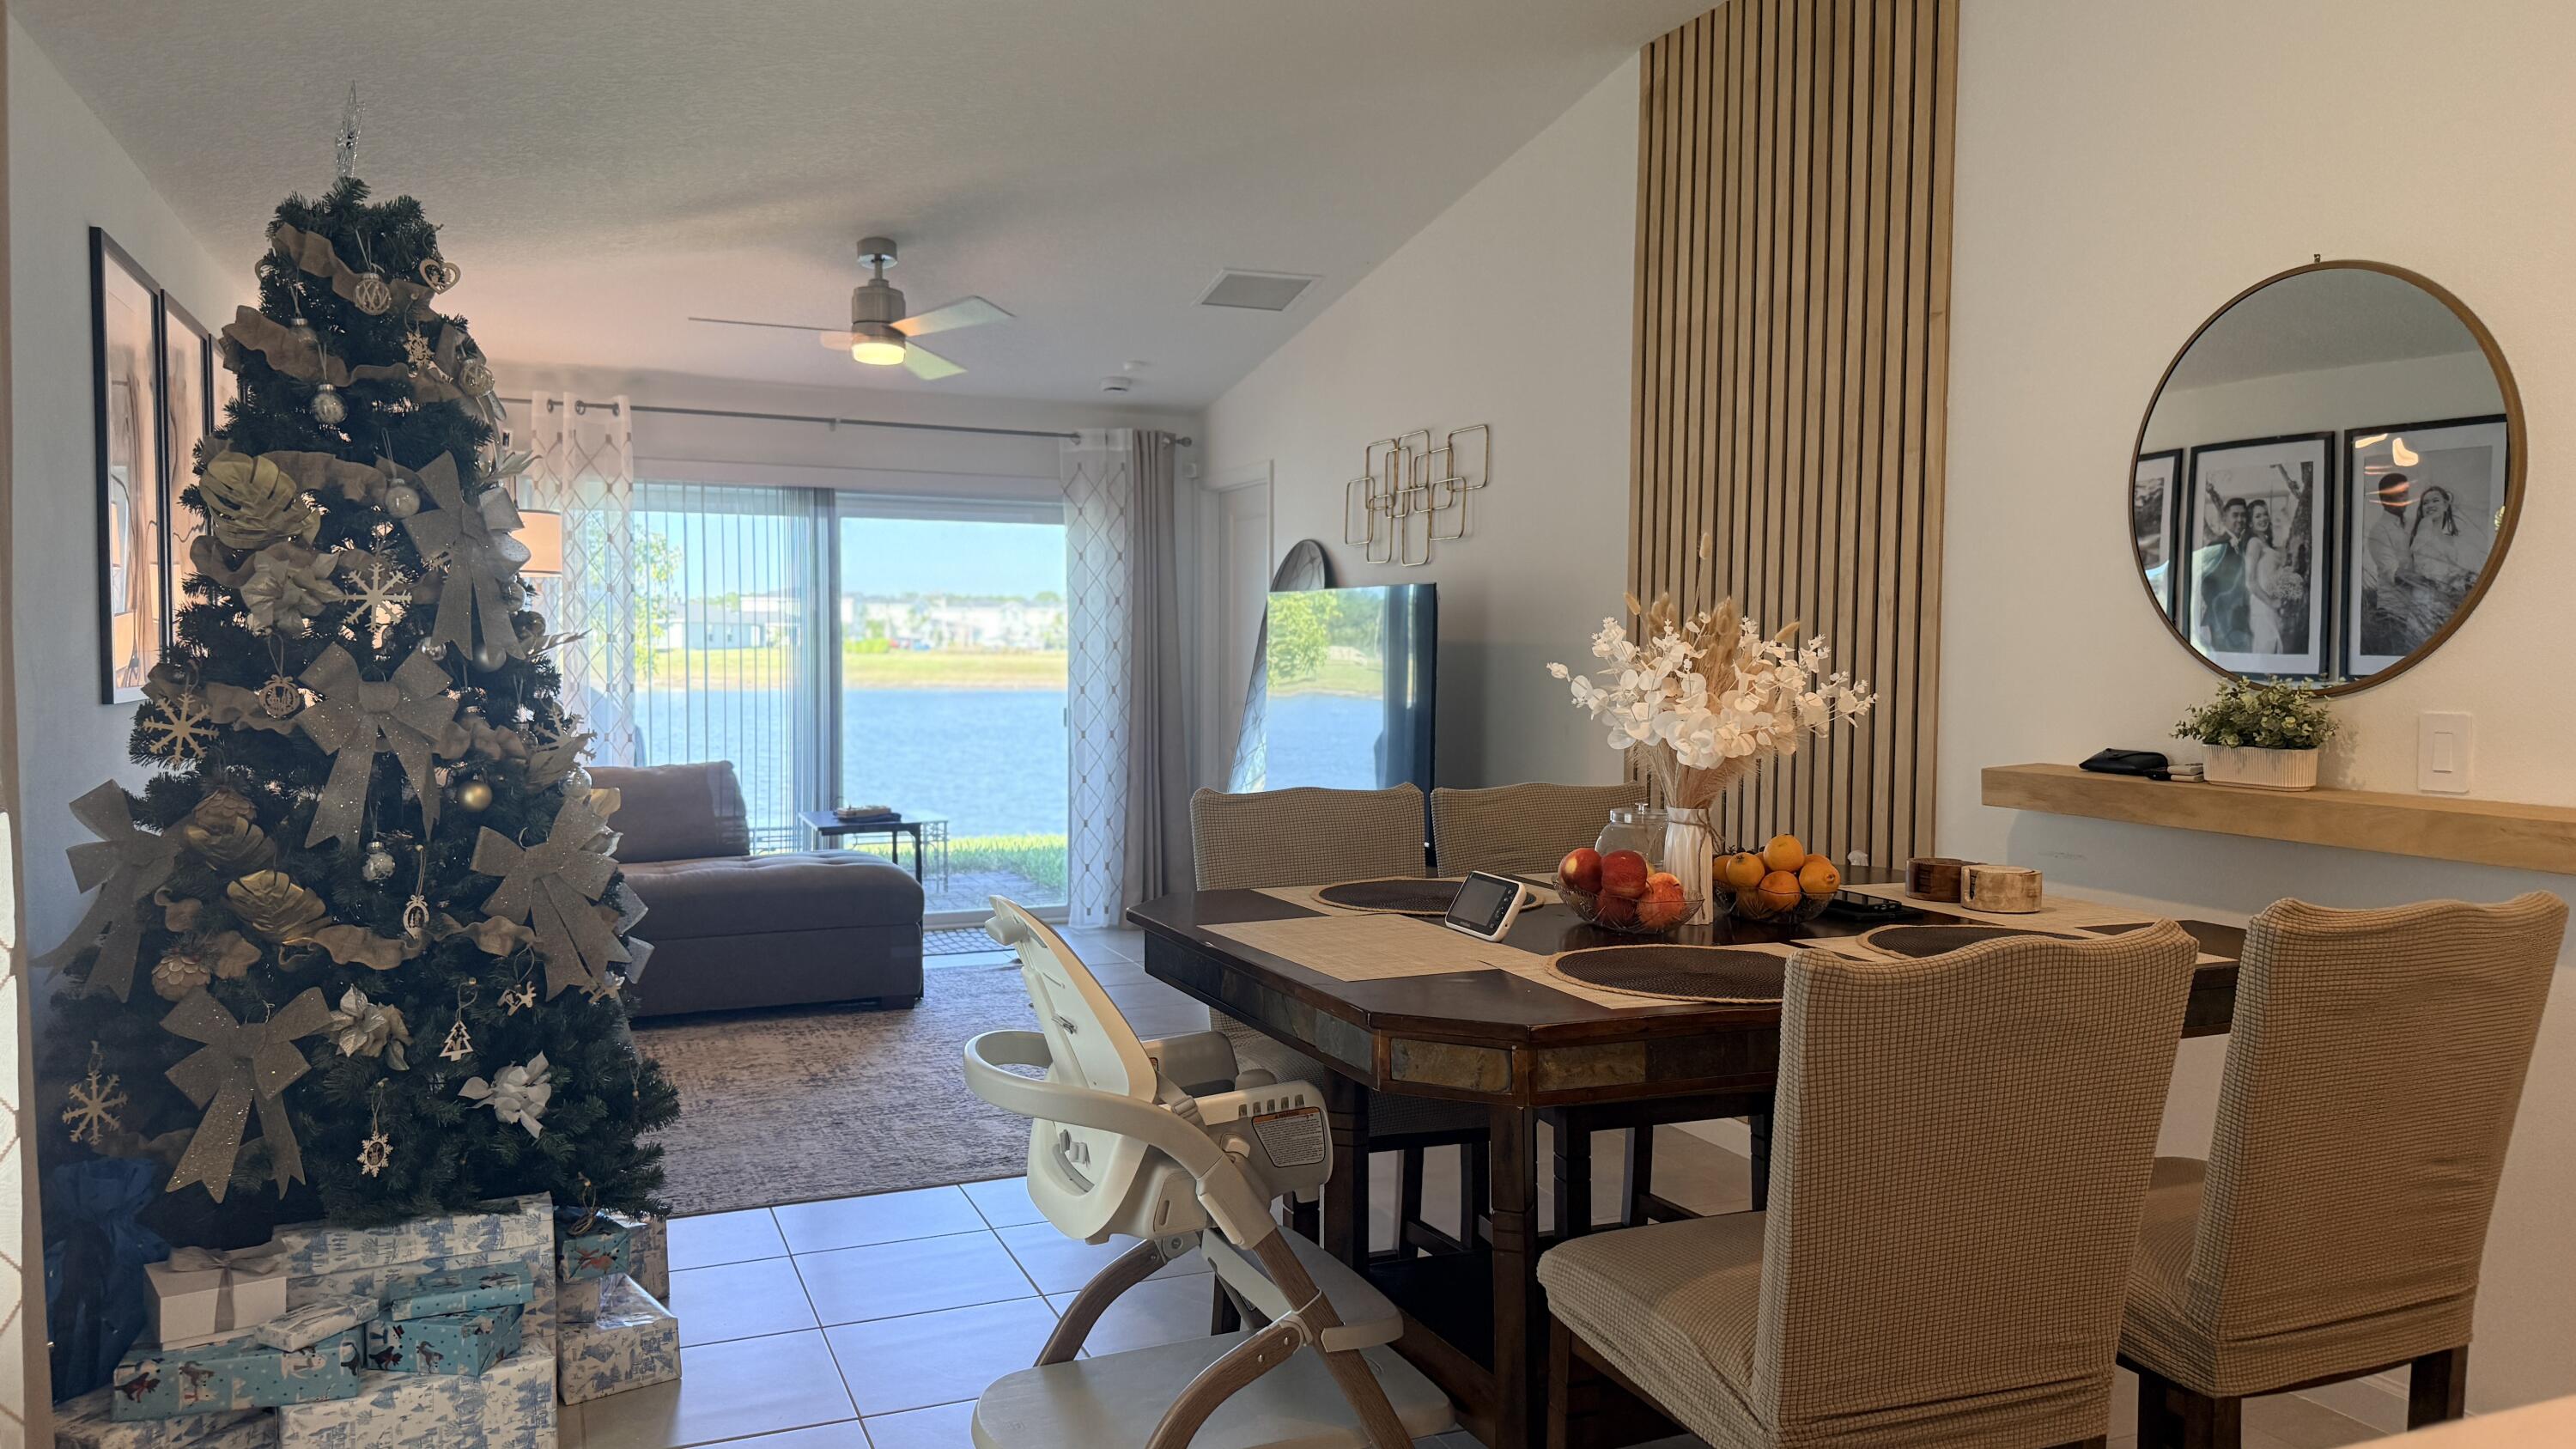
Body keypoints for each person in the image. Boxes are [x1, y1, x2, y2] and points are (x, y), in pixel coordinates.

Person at [2192, 482, 2252, 654]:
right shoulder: (2216, 545)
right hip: (2222, 622)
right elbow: (2206, 584)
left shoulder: (2245, 544)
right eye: (2235, 515)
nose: (2240, 520)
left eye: (2243, 516)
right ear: (2225, 518)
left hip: (2242, 618)